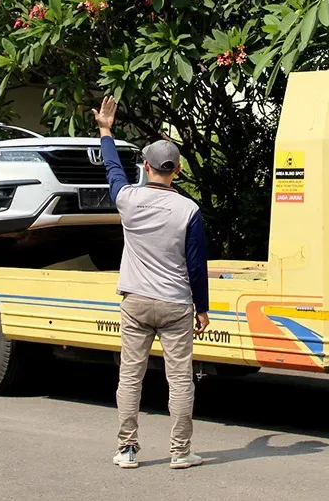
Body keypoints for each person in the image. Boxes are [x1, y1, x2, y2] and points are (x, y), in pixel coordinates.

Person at [93, 95, 210, 470]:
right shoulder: (189, 210)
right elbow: (196, 265)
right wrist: (202, 308)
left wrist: (106, 130)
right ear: (176, 170)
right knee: (180, 381)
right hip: (176, 305)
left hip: (136, 300)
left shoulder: (128, 199)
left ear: (146, 166)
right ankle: (180, 451)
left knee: (131, 375)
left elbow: (112, 170)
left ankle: (127, 449)